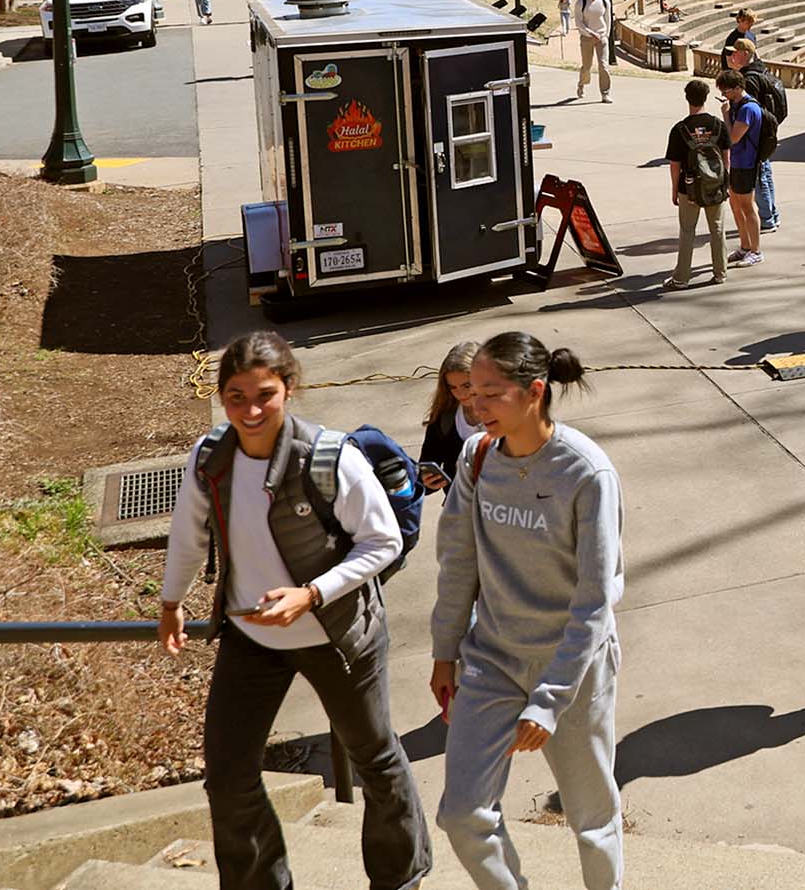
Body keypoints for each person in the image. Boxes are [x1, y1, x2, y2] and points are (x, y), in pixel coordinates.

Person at [158, 334, 430, 890]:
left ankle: (400, 879)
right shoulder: (211, 459)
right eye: (235, 396)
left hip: (336, 634)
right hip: (250, 638)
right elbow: (189, 536)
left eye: (265, 395)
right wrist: (171, 602)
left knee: (375, 759)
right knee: (229, 773)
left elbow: (382, 543)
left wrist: (311, 593)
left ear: (290, 389)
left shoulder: (330, 458)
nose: (250, 410)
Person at [431, 333, 623, 890]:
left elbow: (593, 598)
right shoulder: (478, 455)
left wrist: (550, 701)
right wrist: (445, 652)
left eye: (490, 394)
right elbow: (457, 562)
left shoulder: (585, 472)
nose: (475, 407)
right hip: (492, 658)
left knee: (590, 818)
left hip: (574, 667)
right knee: (462, 814)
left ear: (534, 392)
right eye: (471, 394)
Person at [665, 78, 730, 288]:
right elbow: (726, 159)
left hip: (689, 187)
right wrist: (724, 184)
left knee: (687, 231)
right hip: (715, 187)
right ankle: (720, 272)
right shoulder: (718, 126)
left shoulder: (679, 130)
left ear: (687, 99)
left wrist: (675, 190)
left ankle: (681, 277)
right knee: (717, 230)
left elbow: (675, 165)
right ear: (706, 98)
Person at [725, 35, 783, 232]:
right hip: (765, 134)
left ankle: (766, 219)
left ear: (745, 54)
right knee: (766, 174)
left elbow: (747, 111)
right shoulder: (761, 70)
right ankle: (772, 214)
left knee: (760, 178)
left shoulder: (749, 79)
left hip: (754, 138)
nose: (732, 55)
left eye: (735, 52)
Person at [419, 340, 484, 494]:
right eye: (452, 387)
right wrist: (428, 480)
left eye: (467, 385)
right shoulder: (445, 419)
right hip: (461, 508)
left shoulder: (508, 414)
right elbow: (428, 463)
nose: (460, 394)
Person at [717, 70, 765, 266]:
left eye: (726, 91)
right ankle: (745, 246)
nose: (724, 95)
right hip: (736, 163)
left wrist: (726, 115)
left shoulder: (748, 109)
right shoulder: (738, 104)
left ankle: (756, 250)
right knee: (736, 206)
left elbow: (732, 138)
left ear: (738, 88)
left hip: (746, 163)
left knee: (748, 207)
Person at [573, 0, 612, 104]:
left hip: (601, 38)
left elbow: (607, 20)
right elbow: (579, 23)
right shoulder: (581, 2)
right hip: (587, 38)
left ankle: (605, 93)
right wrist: (590, 33)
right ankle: (581, 84)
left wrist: (605, 34)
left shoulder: (605, 2)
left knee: (604, 66)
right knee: (587, 66)